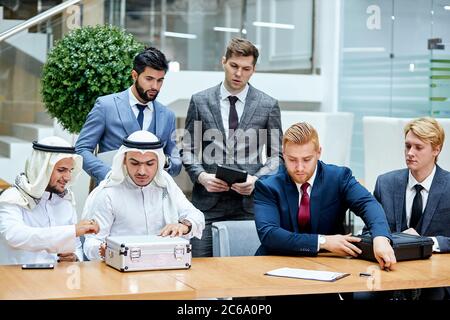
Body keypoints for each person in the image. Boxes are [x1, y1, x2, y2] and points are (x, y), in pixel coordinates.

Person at [182, 37, 283, 257]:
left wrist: (257, 180)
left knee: (249, 280)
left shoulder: (268, 105)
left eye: (246, 69)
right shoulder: (200, 101)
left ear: (253, 70)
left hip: (249, 207)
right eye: (234, 66)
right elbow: (187, 149)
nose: (239, 74)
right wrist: (201, 177)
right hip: (207, 207)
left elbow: (277, 157)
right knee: (200, 275)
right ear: (223, 62)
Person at [254, 122, 396, 271]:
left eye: (307, 159)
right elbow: (270, 234)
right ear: (284, 155)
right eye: (292, 160)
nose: (300, 168)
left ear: (318, 152)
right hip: (275, 265)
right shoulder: (267, 186)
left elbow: (368, 204)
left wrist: (381, 237)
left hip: (328, 266)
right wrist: (322, 241)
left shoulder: (339, 178)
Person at [82, 131, 205, 261]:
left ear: (159, 162)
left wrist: (184, 225)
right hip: (121, 269)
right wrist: (103, 249)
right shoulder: (109, 192)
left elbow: (196, 215)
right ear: (124, 160)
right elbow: (92, 241)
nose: (142, 171)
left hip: (163, 266)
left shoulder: (165, 184)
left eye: (149, 164)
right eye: (134, 163)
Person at [75, 47, 181, 185]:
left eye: (160, 80)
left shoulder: (167, 115)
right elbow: (82, 149)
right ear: (134, 75)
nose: (155, 86)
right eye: (149, 79)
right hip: (112, 192)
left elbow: (176, 161)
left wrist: (164, 161)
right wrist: (108, 175)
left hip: (151, 197)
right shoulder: (106, 106)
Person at [372, 117, 450, 299]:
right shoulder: (385, 183)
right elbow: (369, 231)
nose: (410, 153)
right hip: (390, 274)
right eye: (408, 146)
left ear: (436, 149)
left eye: (418, 147)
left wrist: (426, 242)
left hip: (436, 278)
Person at [0, 137, 99, 265]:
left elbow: (77, 246)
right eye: (61, 170)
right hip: (18, 280)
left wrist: (74, 257)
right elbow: (14, 236)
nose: (68, 177)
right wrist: (71, 231)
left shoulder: (66, 201)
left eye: (70, 170)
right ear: (42, 168)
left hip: (57, 281)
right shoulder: (12, 198)